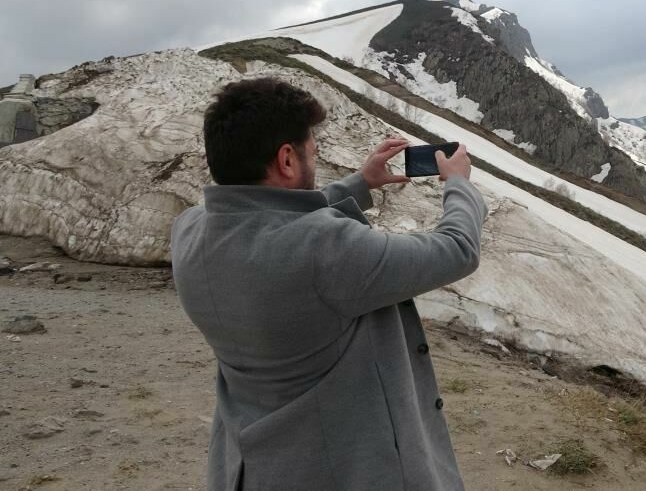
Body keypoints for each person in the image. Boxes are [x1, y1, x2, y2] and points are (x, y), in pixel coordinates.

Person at [170, 77, 487, 490]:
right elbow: (458, 248)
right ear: (287, 160)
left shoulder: (190, 231)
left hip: (253, 467)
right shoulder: (325, 250)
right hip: (339, 468)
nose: (314, 162)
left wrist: (359, 184)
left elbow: (267, 217)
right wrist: (458, 185)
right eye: (312, 153)